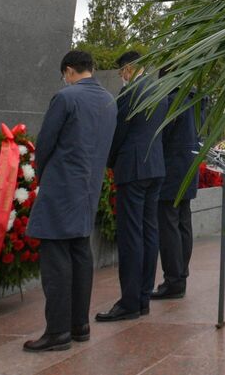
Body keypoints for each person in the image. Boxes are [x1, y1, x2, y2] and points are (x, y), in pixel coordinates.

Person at [23, 50, 116, 352]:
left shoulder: (66, 98)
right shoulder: (108, 100)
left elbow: (46, 144)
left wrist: (41, 174)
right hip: (89, 188)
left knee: (56, 259)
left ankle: (58, 332)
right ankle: (80, 325)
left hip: (62, 186)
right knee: (80, 253)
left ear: (68, 70)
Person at [96, 51, 166, 323]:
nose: (121, 77)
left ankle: (129, 302)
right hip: (156, 167)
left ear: (128, 69)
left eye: (121, 72)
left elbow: (118, 134)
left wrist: (109, 161)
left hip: (133, 169)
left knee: (131, 234)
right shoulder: (159, 90)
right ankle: (143, 296)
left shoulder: (130, 93)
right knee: (149, 231)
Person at [152, 78, 201, 301]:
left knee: (169, 224)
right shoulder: (196, 99)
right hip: (188, 168)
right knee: (183, 221)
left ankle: (173, 279)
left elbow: (162, 135)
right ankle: (181, 275)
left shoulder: (172, 101)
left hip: (171, 168)